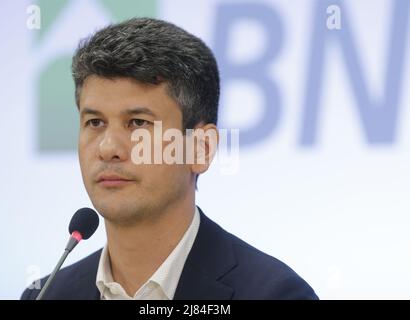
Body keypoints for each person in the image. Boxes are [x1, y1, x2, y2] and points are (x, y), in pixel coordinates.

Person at [21, 18, 318, 300]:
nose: (108, 147)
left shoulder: (273, 294)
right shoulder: (47, 294)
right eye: (95, 123)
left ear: (200, 148)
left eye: (138, 123)